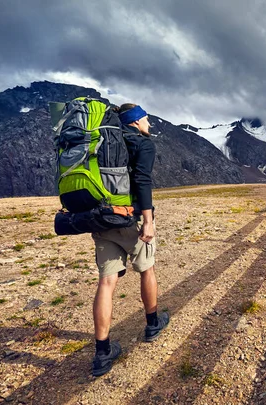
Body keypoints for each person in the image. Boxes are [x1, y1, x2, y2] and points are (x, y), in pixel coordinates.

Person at [90, 103, 169, 377]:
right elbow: (143, 180)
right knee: (146, 268)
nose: (148, 122)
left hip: (101, 219)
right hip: (131, 219)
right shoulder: (142, 143)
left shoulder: (103, 140)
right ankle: (152, 323)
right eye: (146, 118)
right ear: (135, 121)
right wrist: (148, 221)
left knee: (106, 282)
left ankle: (102, 352)